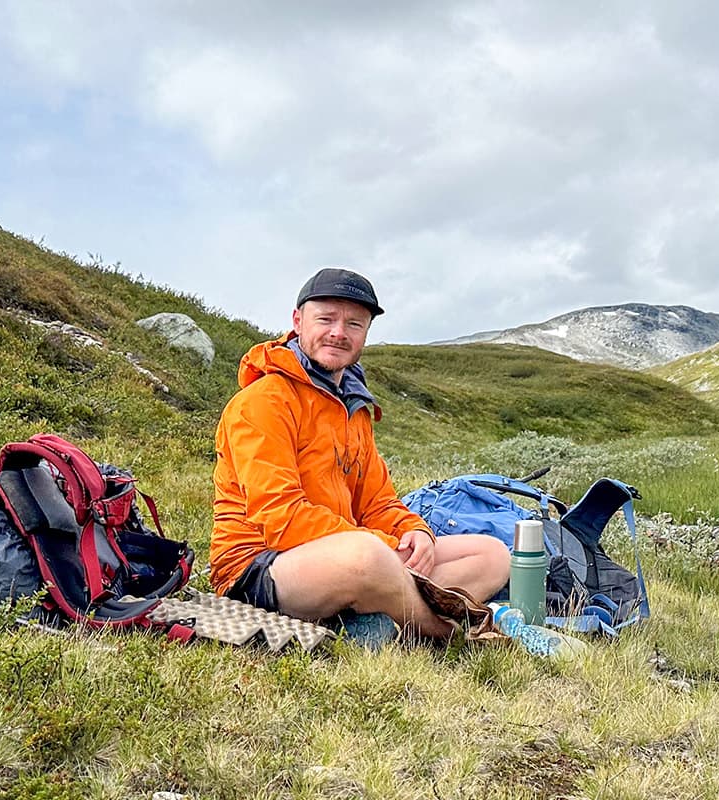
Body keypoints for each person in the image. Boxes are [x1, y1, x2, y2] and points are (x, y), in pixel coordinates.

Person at [209, 268, 509, 639]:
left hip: (348, 554)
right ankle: (445, 635)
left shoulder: (353, 409)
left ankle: (382, 619)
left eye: (354, 323)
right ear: (298, 321)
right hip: (259, 568)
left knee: (491, 554)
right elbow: (280, 518)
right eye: (326, 319)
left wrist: (414, 533)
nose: (339, 332)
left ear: (366, 334)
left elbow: (377, 502)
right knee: (367, 557)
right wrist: (383, 551)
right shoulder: (262, 402)